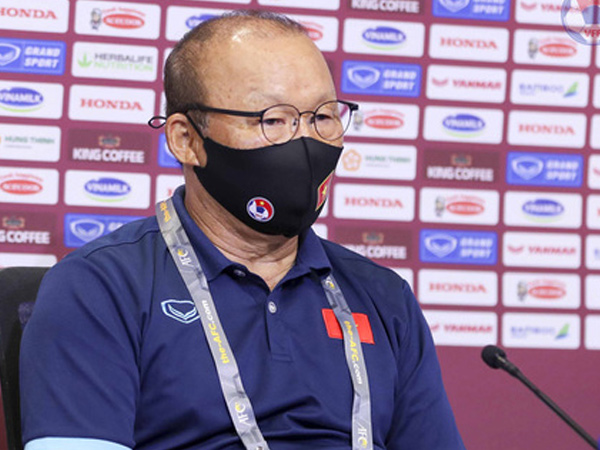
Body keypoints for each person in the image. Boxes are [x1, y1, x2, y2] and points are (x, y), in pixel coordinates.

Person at [20, 10, 466, 450]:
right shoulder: (100, 287)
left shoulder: (383, 297)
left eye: (323, 117)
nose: (305, 142)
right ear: (186, 140)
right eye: (272, 120)